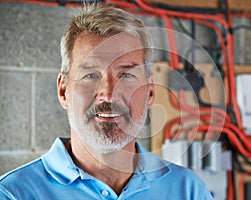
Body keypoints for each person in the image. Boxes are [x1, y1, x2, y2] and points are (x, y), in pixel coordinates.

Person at [0, 5, 212, 200]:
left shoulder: (188, 191)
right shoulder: (13, 194)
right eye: (91, 75)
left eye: (126, 75)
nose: (108, 94)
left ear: (149, 93)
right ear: (64, 90)